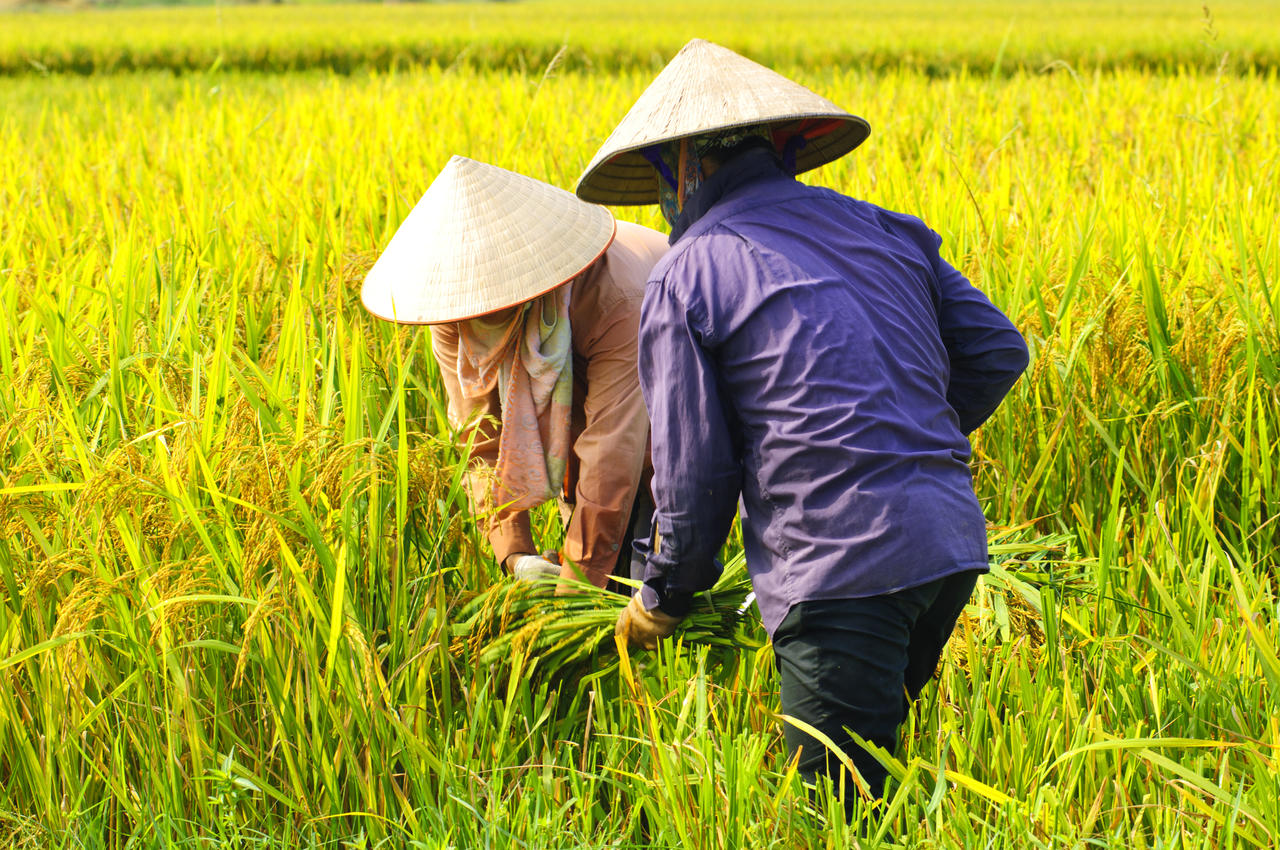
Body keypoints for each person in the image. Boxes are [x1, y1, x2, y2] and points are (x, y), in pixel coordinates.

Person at [576, 40, 1029, 799]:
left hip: (840, 562)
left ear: (683, 168)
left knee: (837, 813)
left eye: (663, 182)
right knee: (879, 783)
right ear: (783, 151)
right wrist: (899, 435)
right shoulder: (888, 229)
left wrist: (662, 598)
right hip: (947, 543)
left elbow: (693, 474)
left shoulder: (688, 270)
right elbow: (997, 350)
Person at [362, 156, 669, 588]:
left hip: (665, 412)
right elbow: (478, 438)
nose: (480, 310)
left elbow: (612, 454)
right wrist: (516, 556)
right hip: (583, 430)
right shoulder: (454, 319)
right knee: (589, 573)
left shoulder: (616, 295)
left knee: (647, 580)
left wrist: (577, 582)